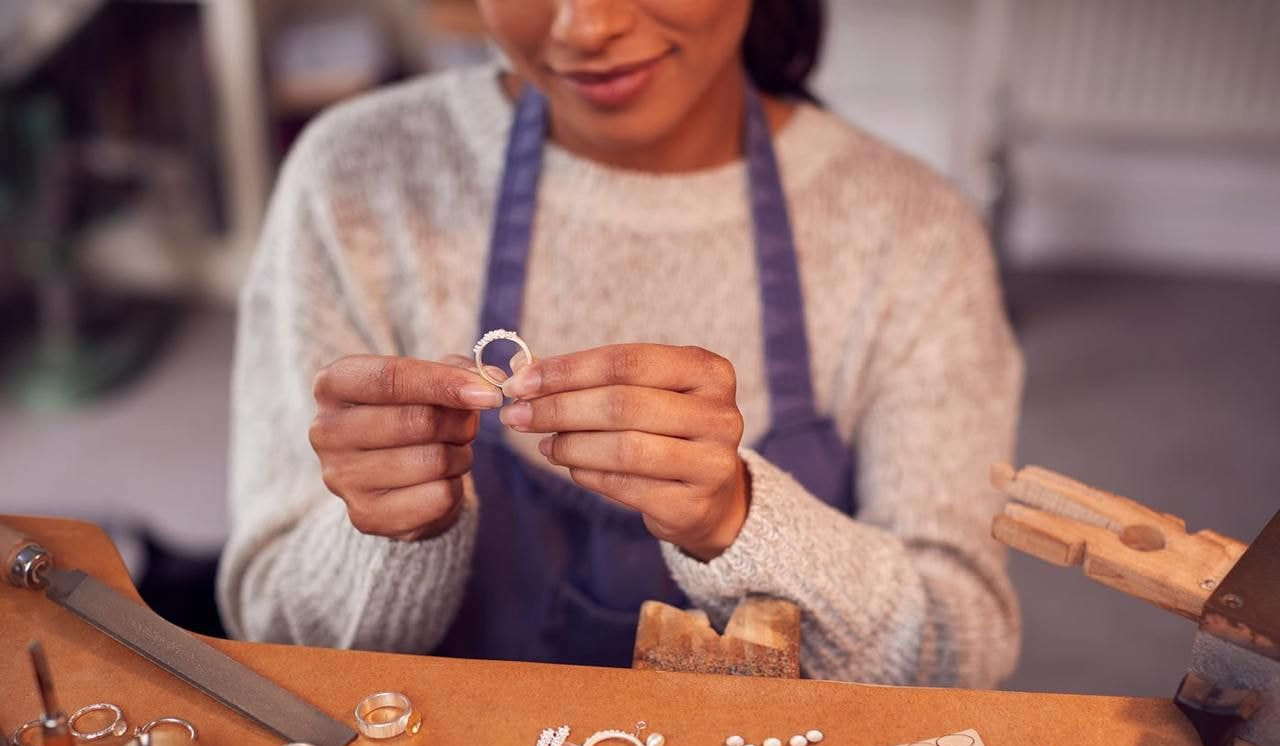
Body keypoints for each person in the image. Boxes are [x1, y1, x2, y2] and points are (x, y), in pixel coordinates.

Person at [217, 0, 1023, 687]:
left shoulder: (913, 233)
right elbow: (272, 631)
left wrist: (737, 521)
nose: (587, 26)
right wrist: (391, 538)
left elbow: (960, 649)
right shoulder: (353, 179)